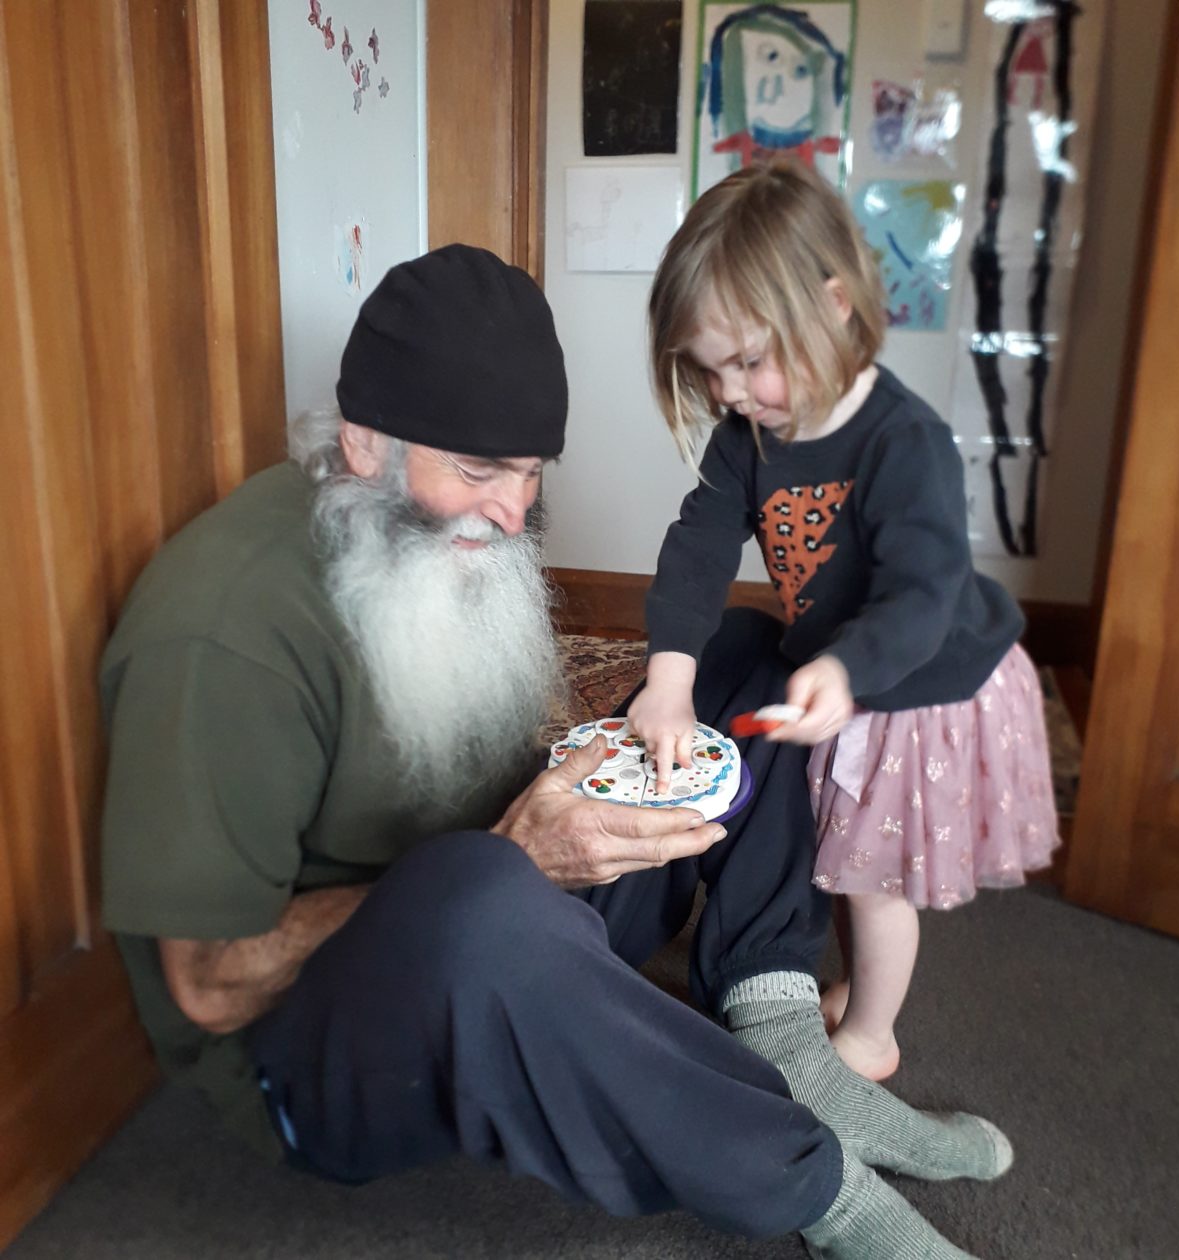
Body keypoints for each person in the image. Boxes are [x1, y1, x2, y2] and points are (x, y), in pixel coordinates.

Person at [100, 243, 1012, 1259]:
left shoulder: (448, 526)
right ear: (364, 444)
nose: (513, 512)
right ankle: (823, 1189)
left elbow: (509, 785)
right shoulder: (225, 632)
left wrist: (568, 804)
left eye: (530, 475)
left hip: (511, 903)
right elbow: (209, 982)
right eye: (481, 473)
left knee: (750, 654)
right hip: (331, 1057)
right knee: (478, 898)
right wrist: (515, 856)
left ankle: (780, 1023)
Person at [631, 156, 1060, 1085]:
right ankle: (846, 992)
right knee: (840, 847)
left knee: (873, 875)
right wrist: (668, 680)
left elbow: (922, 592)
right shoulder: (749, 435)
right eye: (711, 373)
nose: (733, 394)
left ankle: (872, 1034)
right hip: (846, 670)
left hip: (921, 675)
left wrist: (849, 669)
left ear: (832, 307)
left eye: (749, 361)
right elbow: (700, 546)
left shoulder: (904, 442)